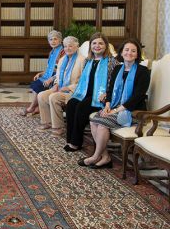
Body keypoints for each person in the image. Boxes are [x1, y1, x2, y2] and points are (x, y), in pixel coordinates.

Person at [79, 39, 150, 169]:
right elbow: (110, 90)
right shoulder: (118, 68)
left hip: (133, 112)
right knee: (94, 120)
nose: (129, 53)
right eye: (126, 50)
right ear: (121, 52)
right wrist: (107, 106)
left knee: (101, 123)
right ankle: (105, 157)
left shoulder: (143, 71)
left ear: (137, 54)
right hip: (115, 108)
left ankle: (96, 156)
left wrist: (116, 110)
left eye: (133, 51)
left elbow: (137, 97)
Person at [64, 32, 118, 152]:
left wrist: (107, 95)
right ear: (91, 46)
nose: (97, 46)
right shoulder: (89, 61)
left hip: (100, 97)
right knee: (72, 104)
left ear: (106, 45)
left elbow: (116, 83)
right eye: (94, 43)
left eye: (100, 43)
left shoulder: (112, 62)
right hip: (85, 93)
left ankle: (76, 142)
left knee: (81, 108)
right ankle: (70, 139)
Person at [36, 36, 85, 135]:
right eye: (65, 46)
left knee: (54, 97)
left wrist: (69, 87)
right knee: (41, 95)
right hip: (61, 88)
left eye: (70, 46)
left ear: (77, 46)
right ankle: (47, 122)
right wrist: (56, 84)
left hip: (74, 91)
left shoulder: (82, 60)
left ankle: (59, 127)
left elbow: (84, 82)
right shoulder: (62, 59)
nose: (67, 48)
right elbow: (58, 76)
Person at [22, 30, 64, 116]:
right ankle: (37, 108)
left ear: (60, 40)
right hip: (50, 74)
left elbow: (61, 70)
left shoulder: (62, 52)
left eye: (55, 39)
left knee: (39, 85)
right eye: (51, 39)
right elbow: (50, 68)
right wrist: (41, 73)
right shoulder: (52, 52)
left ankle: (32, 107)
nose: (53, 41)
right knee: (35, 83)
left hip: (58, 76)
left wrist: (51, 78)